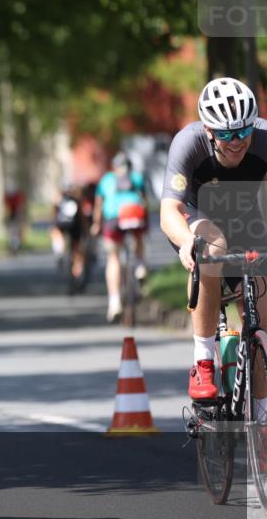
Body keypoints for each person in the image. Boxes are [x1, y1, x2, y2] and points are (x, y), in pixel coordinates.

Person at [160, 76, 267, 414]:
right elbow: (169, 210)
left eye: (243, 131)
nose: (237, 142)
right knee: (213, 247)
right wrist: (186, 241)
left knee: (262, 323)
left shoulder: (264, 139)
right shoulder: (188, 143)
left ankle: (262, 416)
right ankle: (204, 360)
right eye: (225, 134)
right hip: (199, 218)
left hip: (247, 221)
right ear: (208, 130)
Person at [92, 152, 149, 323]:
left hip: (113, 218)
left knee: (113, 257)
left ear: (114, 167)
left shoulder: (106, 179)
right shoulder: (137, 177)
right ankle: (140, 266)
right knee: (139, 237)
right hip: (134, 214)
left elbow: (99, 204)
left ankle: (114, 301)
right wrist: (145, 224)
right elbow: (145, 201)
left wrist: (96, 224)